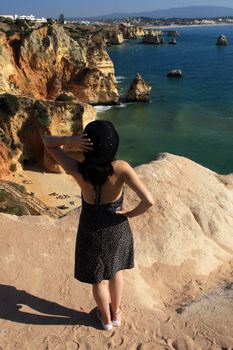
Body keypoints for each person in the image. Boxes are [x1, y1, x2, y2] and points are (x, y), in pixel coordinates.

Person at [42, 120, 154, 331]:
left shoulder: (76, 168)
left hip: (90, 229)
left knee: (98, 281)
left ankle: (105, 319)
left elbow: (48, 143)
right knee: (115, 272)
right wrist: (130, 213)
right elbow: (148, 201)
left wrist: (71, 140)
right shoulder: (121, 168)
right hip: (116, 227)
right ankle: (117, 313)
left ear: (87, 146)